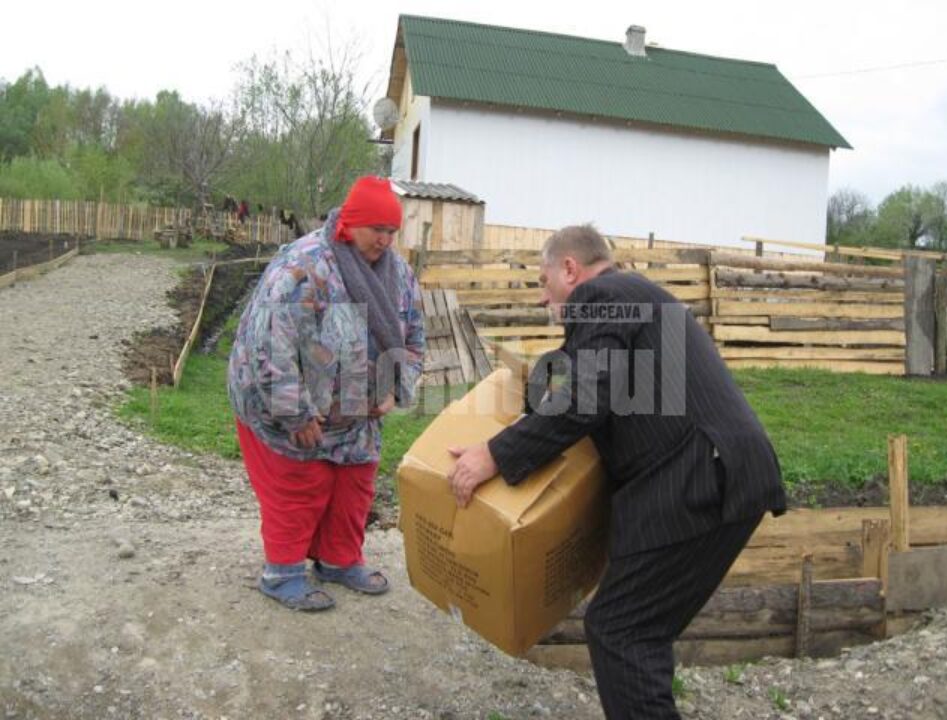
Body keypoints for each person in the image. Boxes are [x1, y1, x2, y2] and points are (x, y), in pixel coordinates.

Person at [447, 225, 786, 718]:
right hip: (724, 474)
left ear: (571, 268)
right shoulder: (632, 301)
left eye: (545, 282)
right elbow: (576, 381)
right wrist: (532, 406)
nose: (544, 299)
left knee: (621, 631)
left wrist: (494, 454)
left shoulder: (601, 295)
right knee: (636, 633)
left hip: (697, 476)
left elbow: (584, 396)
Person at [228, 176, 425, 611]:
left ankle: (338, 560)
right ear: (349, 224)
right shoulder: (305, 267)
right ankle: (281, 573)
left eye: (392, 231)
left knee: (356, 479)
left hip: (355, 409)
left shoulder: (399, 274)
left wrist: (395, 387)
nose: (386, 239)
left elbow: (413, 339)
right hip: (283, 402)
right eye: (377, 229)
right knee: (301, 480)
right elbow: (269, 344)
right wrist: (294, 413)